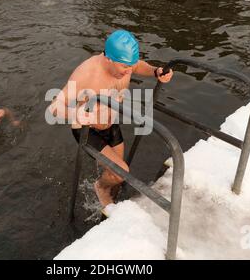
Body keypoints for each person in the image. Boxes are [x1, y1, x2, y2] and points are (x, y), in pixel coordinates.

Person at [48, 30, 174, 209]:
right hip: (87, 128)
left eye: (130, 66)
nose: (129, 71)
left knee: (117, 173)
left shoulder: (126, 65)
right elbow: (54, 107)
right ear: (108, 59)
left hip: (110, 122)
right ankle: (99, 187)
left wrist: (155, 72)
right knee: (120, 172)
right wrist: (78, 114)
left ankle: (107, 186)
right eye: (124, 67)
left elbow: (137, 66)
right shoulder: (87, 73)